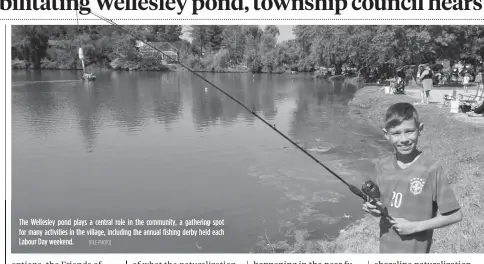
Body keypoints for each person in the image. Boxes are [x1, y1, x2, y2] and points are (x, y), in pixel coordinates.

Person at [362, 103, 462, 253]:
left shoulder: (431, 169)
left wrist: (415, 226)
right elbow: (382, 201)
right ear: (386, 134)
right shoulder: (382, 166)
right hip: (386, 249)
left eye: (409, 131)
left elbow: (455, 215)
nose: (403, 139)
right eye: (396, 133)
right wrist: (371, 206)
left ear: (420, 129)